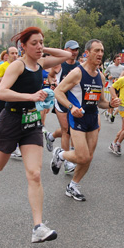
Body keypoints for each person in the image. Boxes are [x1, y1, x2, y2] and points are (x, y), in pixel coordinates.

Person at [0, 27, 72, 243]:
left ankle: (38, 227)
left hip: (32, 123)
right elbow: (1, 92)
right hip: (11, 121)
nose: (39, 47)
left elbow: (66, 55)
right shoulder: (18, 65)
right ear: (23, 46)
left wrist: (44, 48)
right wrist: (31, 96)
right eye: (34, 43)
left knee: (35, 174)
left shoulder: (41, 63)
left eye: (41, 43)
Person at [52, 39, 121, 201]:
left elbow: (101, 102)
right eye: (96, 50)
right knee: (82, 156)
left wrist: (111, 103)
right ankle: (60, 154)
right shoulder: (77, 73)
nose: (100, 54)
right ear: (87, 53)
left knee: (88, 157)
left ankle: (73, 186)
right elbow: (58, 92)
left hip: (92, 118)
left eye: (102, 51)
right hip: (78, 118)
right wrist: (71, 107)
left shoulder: (101, 77)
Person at [44, 40, 81, 175]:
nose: (74, 52)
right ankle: (67, 162)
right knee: (66, 130)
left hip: (74, 102)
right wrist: (52, 83)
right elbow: (51, 75)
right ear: (65, 50)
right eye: (72, 50)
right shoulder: (59, 65)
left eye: (76, 50)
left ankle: (51, 136)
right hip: (61, 100)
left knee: (71, 129)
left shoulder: (79, 66)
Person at [0, 46, 19, 153]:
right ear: (7, 55)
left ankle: (15, 147)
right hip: (4, 96)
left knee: (15, 121)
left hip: (16, 96)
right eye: (12, 53)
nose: (15, 55)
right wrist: (8, 78)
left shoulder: (21, 65)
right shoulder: (3, 66)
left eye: (16, 53)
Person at [104, 55, 124, 122]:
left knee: (113, 100)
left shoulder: (122, 68)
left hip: (118, 85)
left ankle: (108, 112)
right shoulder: (110, 66)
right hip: (111, 85)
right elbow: (105, 73)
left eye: (120, 59)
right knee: (114, 98)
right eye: (118, 59)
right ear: (114, 60)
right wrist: (108, 77)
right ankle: (110, 114)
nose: (119, 61)